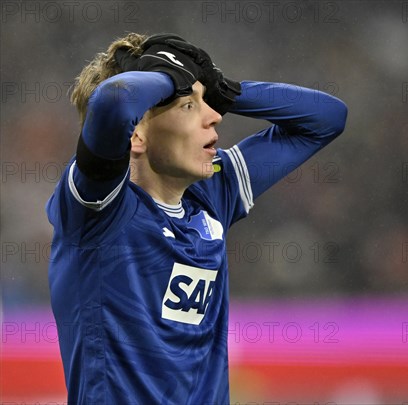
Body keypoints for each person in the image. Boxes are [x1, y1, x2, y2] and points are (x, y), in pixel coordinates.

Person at [46, 32, 347, 404]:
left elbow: (327, 119)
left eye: (209, 103)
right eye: (189, 106)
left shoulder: (211, 195)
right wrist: (171, 76)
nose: (215, 117)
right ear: (136, 134)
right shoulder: (99, 209)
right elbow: (114, 101)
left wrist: (226, 89)